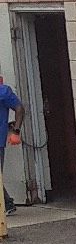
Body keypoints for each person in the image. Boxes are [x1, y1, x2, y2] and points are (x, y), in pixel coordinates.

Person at [0, 74, 25, 215]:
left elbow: (19, 108)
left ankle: (7, 204)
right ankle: (7, 203)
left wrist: (16, 130)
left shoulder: (3, 92)